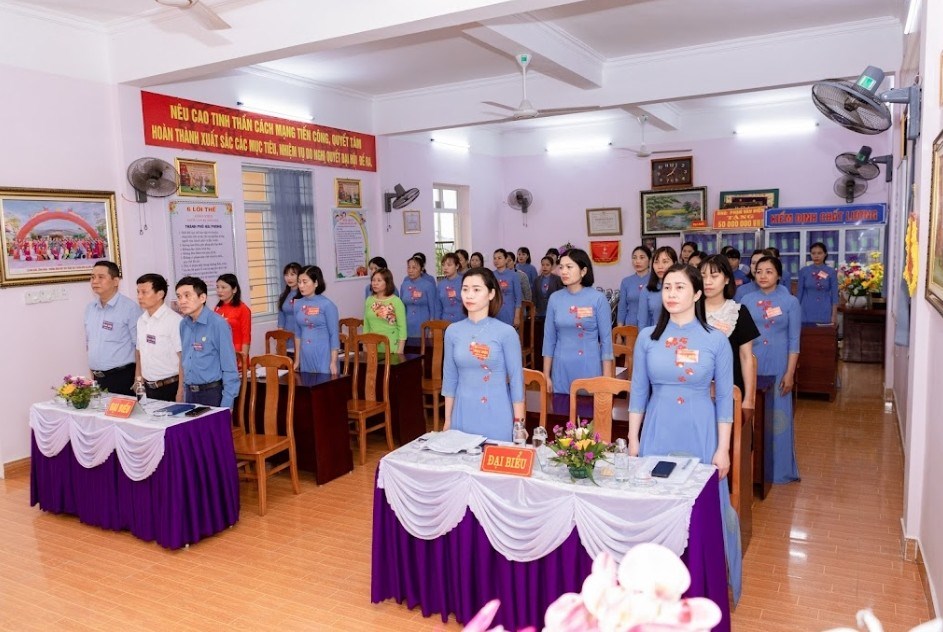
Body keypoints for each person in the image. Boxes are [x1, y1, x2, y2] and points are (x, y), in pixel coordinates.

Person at [627, 262, 742, 603]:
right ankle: (654, 584)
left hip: (699, 430)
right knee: (655, 504)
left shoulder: (716, 340)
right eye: (667, 287)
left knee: (699, 509)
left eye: (680, 287)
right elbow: (638, 392)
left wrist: (723, 449)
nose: (672, 294)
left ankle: (699, 584)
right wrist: (633, 439)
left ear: (696, 294)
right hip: (658, 428)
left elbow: (725, 399)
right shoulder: (648, 338)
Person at [442, 267, 525, 441]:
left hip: (496, 412)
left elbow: (516, 380)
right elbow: (450, 378)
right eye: (465, 289)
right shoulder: (452, 331)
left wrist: (519, 425)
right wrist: (448, 419)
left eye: (476, 289)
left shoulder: (506, 332)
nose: (469, 295)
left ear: (491, 294)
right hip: (462, 413)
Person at [741, 256, 801, 484]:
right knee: (751, 415)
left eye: (769, 271)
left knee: (778, 416)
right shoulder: (746, 300)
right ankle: (752, 472)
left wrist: (790, 373)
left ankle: (779, 470)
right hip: (752, 362)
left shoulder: (790, 302)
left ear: (778, 275)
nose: (763, 276)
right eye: (759, 271)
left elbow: (794, 341)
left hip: (779, 365)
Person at [542, 248, 614, 394]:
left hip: (589, 366)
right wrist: (546, 375)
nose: (564, 271)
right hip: (561, 368)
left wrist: (606, 379)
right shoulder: (555, 299)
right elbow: (549, 339)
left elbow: (606, 341)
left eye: (569, 267)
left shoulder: (598, 299)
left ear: (583, 271)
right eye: (561, 267)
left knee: (588, 407)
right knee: (561, 407)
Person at [698, 255, 759, 420]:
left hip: (732, 389)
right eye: (703, 276)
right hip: (696, 391)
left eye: (714, 276)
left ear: (726, 279)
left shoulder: (738, 312)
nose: (707, 282)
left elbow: (746, 357)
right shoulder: (690, 312)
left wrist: (748, 399)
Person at [175, 276, 240, 408]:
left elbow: (230, 368)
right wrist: (182, 392)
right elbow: (185, 361)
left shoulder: (218, 324)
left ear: (202, 298)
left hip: (212, 393)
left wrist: (227, 405)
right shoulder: (183, 324)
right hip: (190, 394)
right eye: (179, 296)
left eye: (187, 295)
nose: (182, 301)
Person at [84, 260, 142, 396]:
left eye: (101, 277)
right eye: (92, 277)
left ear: (115, 281)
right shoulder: (90, 309)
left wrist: (138, 379)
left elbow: (140, 347)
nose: (95, 281)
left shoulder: (129, 308)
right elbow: (89, 344)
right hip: (98, 379)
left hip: (122, 377)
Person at [134, 273, 183, 402]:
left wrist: (181, 391)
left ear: (160, 294)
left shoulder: (174, 321)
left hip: (170, 387)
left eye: (144, 292)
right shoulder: (141, 320)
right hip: (147, 387)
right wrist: (138, 380)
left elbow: (183, 358)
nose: (139, 296)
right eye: (138, 292)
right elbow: (139, 352)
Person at [292, 265, 339, 375]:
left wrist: (333, 361)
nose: (301, 286)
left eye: (305, 282)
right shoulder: (297, 304)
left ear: (316, 283)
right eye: (299, 282)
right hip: (305, 355)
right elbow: (297, 335)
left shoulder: (327, 305)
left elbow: (334, 334)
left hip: (324, 354)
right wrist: (297, 360)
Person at [364, 267, 407, 353]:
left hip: (391, 345)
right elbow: (366, 324)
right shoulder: (369, 300)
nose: (375, 283)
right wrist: (364, 344)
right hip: (373, 345)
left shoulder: (396, 301)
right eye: (373, 280)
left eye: (379, 280)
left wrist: (400, 349)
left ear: (387, 283)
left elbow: (402, 327)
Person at [214, 273, 251, 368]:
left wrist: (243, 359)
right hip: (221, 352)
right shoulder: (217, 308)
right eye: (217, 287)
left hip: (237, 352)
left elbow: (246, 336)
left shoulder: (243, 309)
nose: (219, 290)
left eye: (223, 287)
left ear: (234, 290)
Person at [797, 242, 839, 324]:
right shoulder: (804, 271)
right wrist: (796, 312)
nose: (816, 256)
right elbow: (799, 293)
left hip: (825, 309)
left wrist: (834, 315)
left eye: (819, 253)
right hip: (806, 309)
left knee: (823, 331)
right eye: (813, 253)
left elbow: (835, 295)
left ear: (825, 254)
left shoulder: (831, 272)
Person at [637, 246, 678, 328]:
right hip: (656, 333)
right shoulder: (647, 289)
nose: (660, 266)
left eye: (665, 262)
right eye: (656, 262)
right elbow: (642, 322)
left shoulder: (683, 287)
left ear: (675, 263)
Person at [400, 256, 438, 337]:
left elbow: (433, 309)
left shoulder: (428, 285)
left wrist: (432, 328)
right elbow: (401, 307)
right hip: (407, 325)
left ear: (421, 269)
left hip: (424, 325)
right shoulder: (404, 285)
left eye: (414, 268)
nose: (410, 270)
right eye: (409, 267)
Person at [617, 245, 652, 327]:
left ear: (650, 260)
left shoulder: (656, 281)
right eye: (634, 258)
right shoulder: (626, 281)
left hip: (650, 327)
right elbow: (622, 307)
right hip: (630, 327)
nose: (637, 261)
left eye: (642, 257)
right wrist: (619, 330)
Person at [491, 249, 522, 327]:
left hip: (509, 311)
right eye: (494, 258)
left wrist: (517, 316)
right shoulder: (491, 275)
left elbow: (518, 298)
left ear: (506, 260)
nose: (496, 260)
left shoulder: (514, 275)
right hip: (495, 311)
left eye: (499, 258)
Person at [277, 262, 303, 354]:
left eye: (292, 274)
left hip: (301, 336)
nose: (289, 278)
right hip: (286, 337)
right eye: (286, 275)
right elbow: (281, 320)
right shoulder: (283, 296)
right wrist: (280, 340)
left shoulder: (304, 295)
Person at [532, 255, 563, 320]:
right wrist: (534, 309)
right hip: (540, 311)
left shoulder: (557, 279)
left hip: (554, 310)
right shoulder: (537, 280)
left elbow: (561, 295)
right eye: (543, 265)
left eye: (547, 265)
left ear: (552, 266)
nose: (545, 267)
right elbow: (534, 296)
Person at [436, 253, 464, 323]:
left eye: (449, 265)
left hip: (462, 320)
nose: (445, 268)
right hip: (445, 321)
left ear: (457, 266)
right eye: (443, 265)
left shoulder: (464, 282)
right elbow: (438, 307)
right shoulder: (441, 284)